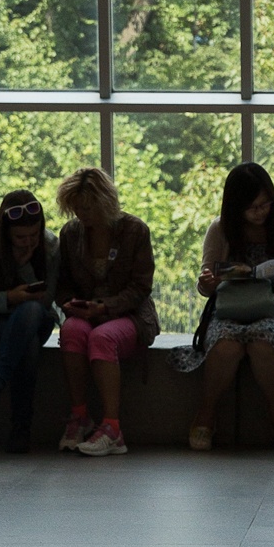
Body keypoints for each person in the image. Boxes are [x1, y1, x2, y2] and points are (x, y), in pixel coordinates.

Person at [179, 160, 274, 452]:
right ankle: (207, 414)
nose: (260, 213)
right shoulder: (219, 230)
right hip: (229, 307)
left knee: (264, 341)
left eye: (265, 205)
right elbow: (204, 286)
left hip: (273, 309)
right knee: (225, 343)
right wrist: (208, 282)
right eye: (252, 207)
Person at [54, 165, 156, 457]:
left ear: (105, 203)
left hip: (129, 315)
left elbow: (140, 287)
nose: (81, 215)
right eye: (76, 208)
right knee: (71, 331)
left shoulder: (135, 230)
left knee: (102, 338)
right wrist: (72, 305)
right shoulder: (71, 234)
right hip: (86, 315)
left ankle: (113, 429)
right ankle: (80, 416)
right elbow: (62, 284)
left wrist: (106, 307)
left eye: (87, 208)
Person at [0, 187, 60, 452]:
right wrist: (10, 297)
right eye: (20, 237)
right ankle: (21, 429)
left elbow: (45, 300)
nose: (28, 242)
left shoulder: (50, 246)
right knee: (25, 346)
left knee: (29, 314)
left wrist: (24, 267)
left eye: (33, 235)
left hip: (33, 319)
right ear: (5, 233)